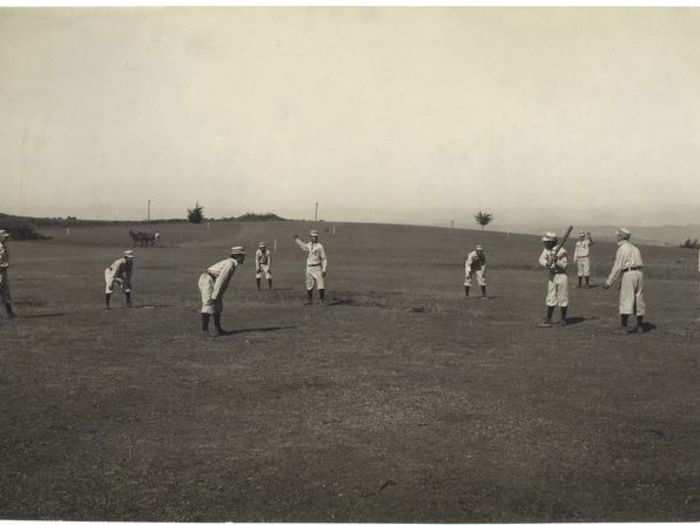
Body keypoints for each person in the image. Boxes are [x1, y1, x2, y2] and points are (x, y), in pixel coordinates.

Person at [603, 228, 646, 334]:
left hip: (629, 273)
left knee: (626, 299)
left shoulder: (622, 249)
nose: (616, 237)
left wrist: (609, 282)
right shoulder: (635, 248)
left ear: (622, 237)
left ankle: (623, 328)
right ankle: (640, 326)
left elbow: (617, 267)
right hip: (639, 274)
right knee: (639, 299)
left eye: (618, 235)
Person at [198, 246, 246, 336]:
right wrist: (215, 295)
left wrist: (218, 295)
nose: (244, 258)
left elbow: (222, 281)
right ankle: (204, 330)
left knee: (218, 306)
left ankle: (218, 329)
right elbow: (221, 280)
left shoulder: (231, 263)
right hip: (207, 280)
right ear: (238, 256)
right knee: (208, 304)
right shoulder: (230, 264)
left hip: (212, 280)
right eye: (243, 256)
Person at [538, 232, 569, 327]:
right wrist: (546, 263)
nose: (545, 243)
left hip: (561, 276)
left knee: (562, 297)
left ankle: (563, 319)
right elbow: (541, 259)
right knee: (551, 296)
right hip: (552, 276)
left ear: (552, 242)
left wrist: (557, 261)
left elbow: (565, 266)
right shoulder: (546, 250)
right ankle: (548, 319)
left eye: (547, 242)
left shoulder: (562, 251)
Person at [294, 230, 328, 305]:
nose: (314, 238)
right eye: (312, 237)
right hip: (309, 267)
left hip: (317, 267)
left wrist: (324, 269)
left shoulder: (320, 246)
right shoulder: (309, 245)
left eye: (315, 237)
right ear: (310, 237)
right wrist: (297, 239)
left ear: (317, 237)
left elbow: (324, 258)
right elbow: (303, 246)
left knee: (320, 284)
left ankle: (321, 301)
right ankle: (310, 301)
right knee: (309, 285)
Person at [0, 230, 15, 320]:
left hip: (3, 272)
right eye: (4, 236)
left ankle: (10, 313)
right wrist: (3, 266)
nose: (6, 238)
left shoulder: (3, 246)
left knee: (6, 293)